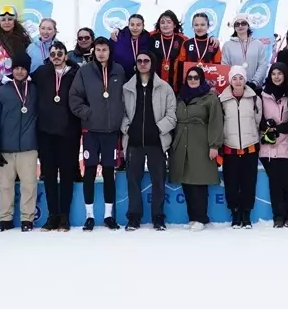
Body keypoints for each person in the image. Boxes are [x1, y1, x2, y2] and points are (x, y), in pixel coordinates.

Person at [70, 36, 126, 231]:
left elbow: (125, 97)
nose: (101, 53)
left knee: (110, 172)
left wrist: (120, 118)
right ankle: (89, 215)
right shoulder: (84, 71)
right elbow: (74, 96)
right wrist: (88, 114)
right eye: (98, 49)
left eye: (105, 49)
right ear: (93, 51)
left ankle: (109, 215)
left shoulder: (119, 70)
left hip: (111, 132)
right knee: (90, 171)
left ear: (110, 51)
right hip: (91, 131)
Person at [121, 50, 177, 230]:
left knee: (159, 180)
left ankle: (158, 217)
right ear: (135, 64)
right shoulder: (127, 88)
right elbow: (120, 113)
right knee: (133, 180)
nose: (143, 63)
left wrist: (158, 129)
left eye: (146, 60)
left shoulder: (164, 87)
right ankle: (134, 217)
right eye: (139, 61)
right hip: (134, 142)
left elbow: (172, 116)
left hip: (157, 141)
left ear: (152, 63)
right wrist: (128, 128)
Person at [0, 52, 40, 232]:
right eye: (16, 68)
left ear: (27, 70)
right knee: (5, 185)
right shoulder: (2, 91)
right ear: (12, 69)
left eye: (23, 68)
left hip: (29, 146)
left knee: (29, 184)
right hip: (5, 148)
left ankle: (27, 219)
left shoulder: (35, 89)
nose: (19, 71)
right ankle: (5, 219)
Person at [33, 42, 81, 231]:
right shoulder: (42, 72)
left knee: (67, 177)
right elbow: (23, 79)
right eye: (53, 54)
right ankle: (52, 216)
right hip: (46, 133)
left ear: (66, 55)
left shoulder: (75, 73)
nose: (56, 57)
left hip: (69, 133)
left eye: (60, 53)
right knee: (50, 177)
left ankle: (64, 217)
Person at [171, 65, 224, 230]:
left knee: (199, 182)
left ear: (201, 79)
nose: (192, 80)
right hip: (182, 143)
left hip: (201, 143)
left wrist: (214, 145)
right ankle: (192, 218)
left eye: (196, 77)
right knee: (186, 181)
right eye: (190, 78)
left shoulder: (210, 98)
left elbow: (216, 122)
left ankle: (201, 217)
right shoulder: (180, 97)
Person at [218, 65, 262, 228]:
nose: (238, 81)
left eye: (241, 78)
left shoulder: (254, 98)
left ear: (245, 80)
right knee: (231, 183)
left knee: (248, 183)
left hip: (250, 148)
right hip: (230, 148)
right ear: (230, 80)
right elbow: (220, 122)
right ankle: (235, 213)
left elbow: (258, 121)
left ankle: (246, 214)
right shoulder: (222, 99)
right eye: (235, 78)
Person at [259, 63, 288, 228]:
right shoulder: (262, 95)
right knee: (275, 184)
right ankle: (279, 216)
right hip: (268, 146)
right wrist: (265, 124)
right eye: (273, 73)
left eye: (280, 74)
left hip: (286, 144)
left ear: (285, 75)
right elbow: (255, 118)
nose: (276, 77)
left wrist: (280, 128)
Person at [221, 13, 268, 89]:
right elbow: (225, 66)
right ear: (234, 27)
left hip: (254, 88)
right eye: (237, 24)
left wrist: (254, 83)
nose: (240, 26)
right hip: (235, 88)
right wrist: (234, 83)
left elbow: (262, 65)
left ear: (248, 25)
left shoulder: (258, 44)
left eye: (243, 23)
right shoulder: (227, 45)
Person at [0, 5, 32, 82]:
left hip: (14, 81)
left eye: (10, 19)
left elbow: (26, 62)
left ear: (15, 21)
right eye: (3, 20)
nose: (7, 22)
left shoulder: (23, 39)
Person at [177, 13, 222, 89]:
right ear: (192, 26)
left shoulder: (214, 44)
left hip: (208, 85)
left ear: (208, 26)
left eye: (202, 25)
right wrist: (181, 85)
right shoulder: (187, 43)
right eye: (196, 25)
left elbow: (218, 67)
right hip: (190, 83)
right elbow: (180, 66)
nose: (199, 28)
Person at [149, 10, 188, 88]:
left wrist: (213, 39)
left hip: (175, 84)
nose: (165, 25)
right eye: (162, 22)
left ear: (174, 25)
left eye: (169, 22)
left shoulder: (183, 40)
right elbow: (135, 33)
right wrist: (117, 30)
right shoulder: (151, 36)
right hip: (154, 83)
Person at [111, 14, 151, 80]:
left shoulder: (148, 38)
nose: (135, 28)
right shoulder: (118, 36)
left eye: (138, 25)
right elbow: (106, 47)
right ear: (128, 25)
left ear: (143, 26)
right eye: (132, 25)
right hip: (120, 76)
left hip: (141, 76)